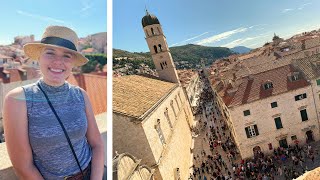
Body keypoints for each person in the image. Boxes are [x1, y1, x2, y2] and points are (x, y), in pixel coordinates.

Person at [3, 26, 104, 179]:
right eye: (50, 53)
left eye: (67, 55)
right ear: (39, 57)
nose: (58, 62)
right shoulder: (18, 100)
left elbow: (97, 145)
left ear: (72, 63)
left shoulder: (81, 95)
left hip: (91, 173)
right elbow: (23, 166)